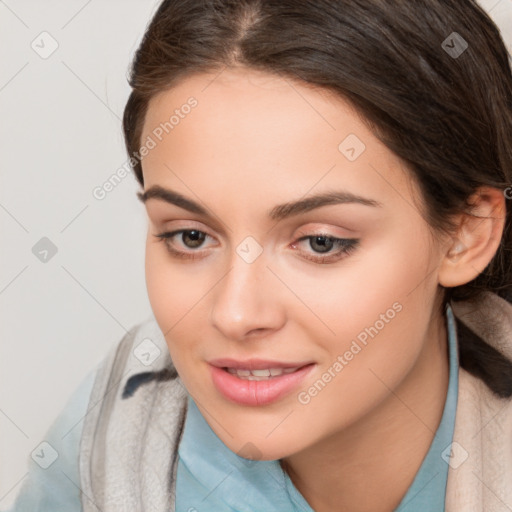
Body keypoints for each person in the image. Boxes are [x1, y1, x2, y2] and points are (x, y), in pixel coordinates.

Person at [6, 0, 512, 511]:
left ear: (466, 234)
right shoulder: (106, 433)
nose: (236, 314)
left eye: (320, 242)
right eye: (190, 236)